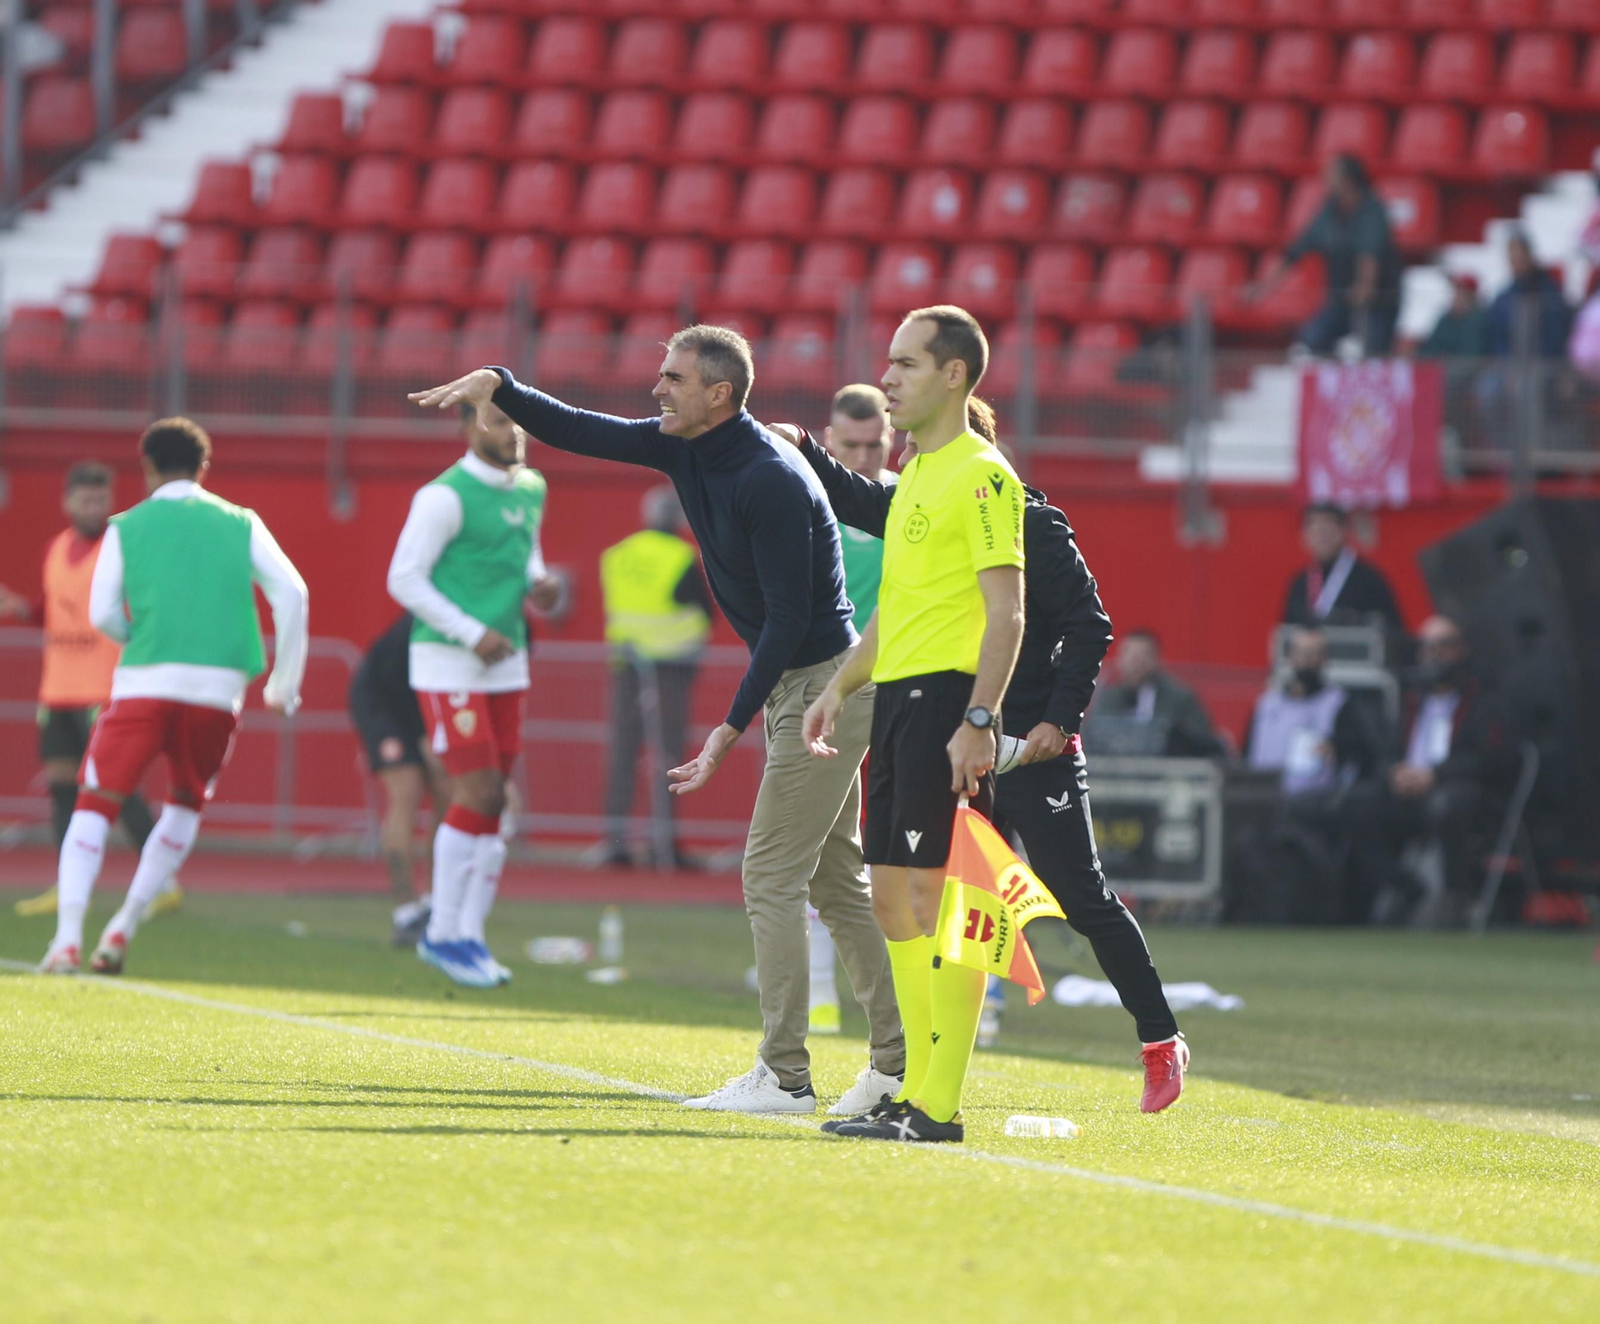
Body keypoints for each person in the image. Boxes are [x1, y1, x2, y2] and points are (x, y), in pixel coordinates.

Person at [408, 326, 907, 1119]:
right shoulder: (686, 445)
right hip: (810, 686)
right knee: (834, 883)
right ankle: (895, 1065)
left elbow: (787, 620)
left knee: (769, 877)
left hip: (822, 687)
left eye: (673, 377)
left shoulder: (770, 476)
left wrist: (729, 728)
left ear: (719, 393)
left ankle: (784, 1077)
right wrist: (499, 384)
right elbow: (582, 429)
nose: (656, 388)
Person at [782, 398, 1188, 1115]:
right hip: (949, 735)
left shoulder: (1028, 518)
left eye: (916, 441)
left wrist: (1057, 722)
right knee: (945, 899)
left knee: (1077, 893)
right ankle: (931, 1077)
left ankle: (1160, 1039)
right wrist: (804, 450)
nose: (907, 455)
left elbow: (1091, 623)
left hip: (1026, 746)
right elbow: (863, 500)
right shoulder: (927, 515)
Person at [801, 305, 1027, 1145]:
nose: (888, 377)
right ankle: (915, 1091)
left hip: (948, 701)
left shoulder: (982, 473)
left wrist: (980, 717)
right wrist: (838, 687)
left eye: (905, 363)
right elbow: (895, 611)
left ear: (953, 376)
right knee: (892, 896)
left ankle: (936, 1104)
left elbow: (1008, 612)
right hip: (895, 696)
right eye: (889, 362)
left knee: (941, 895)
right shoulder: (915, 477)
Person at [37, 418, 309, 974]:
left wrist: (141, 640)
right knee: (185, 802)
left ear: (149, 469)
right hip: (217, 691)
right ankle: (124, 927)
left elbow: (103, 612)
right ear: (204, 467)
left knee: (94, 802)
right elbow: (294, 593)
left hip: (144, 683)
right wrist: (284, 684)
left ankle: (66, 938)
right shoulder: (241, 521)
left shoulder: (125, 526)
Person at [387, 399, 559, 989]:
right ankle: (442, 932)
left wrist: (538, 583)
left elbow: (524, 549)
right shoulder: (444, 497)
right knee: (479, 791)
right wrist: (469, 630)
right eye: (498, 421)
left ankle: (468, 936)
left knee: (495, 804)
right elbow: (403, 577)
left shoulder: (531, 486)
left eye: (517, 422)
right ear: (466, 427)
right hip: (448, 663)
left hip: (505, 664)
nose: (512, 432)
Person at [0, 462, 172, 920]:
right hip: (57, 689)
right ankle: (68, 883)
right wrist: (20, 608)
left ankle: (162, 882)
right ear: (67, 502)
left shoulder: (122, 548)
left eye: (102, 499)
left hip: (104, 688)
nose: (96, 508)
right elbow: (58, 612)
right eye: (87, 499)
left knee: (116, 786)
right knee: (60, 786)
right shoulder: (55, 548)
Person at [805, 384, 899, 1037]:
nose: (864, 456)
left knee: (904, 852)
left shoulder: (906, 503)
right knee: (818, 848)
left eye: (876, 444)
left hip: (901, 694)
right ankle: (817, 996)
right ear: (828, 440)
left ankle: (959, 993)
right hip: (826, 693)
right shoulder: (808, 500)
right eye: (852, 445)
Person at [1345, 616, 1515, 928]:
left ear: (1461, 650)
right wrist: (1396, 772)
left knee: (1448, 805)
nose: (1433, 654)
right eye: (1426, 647)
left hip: (1458, 792)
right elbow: (1388, 750)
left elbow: (1491, 759)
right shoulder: (1411, 700)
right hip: (1409, 791)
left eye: (1442, 646)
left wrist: (1434, 775)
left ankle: (1455, 898)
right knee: (1359, 804)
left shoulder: (1484, 700)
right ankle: (1403, 888)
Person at [597, 484, 712, 869]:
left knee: (622, 754)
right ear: (678, 520)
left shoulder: (618, 555)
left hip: (626, 666)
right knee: (669, 757)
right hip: (670, 668)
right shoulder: (681, 557)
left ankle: (613, 842)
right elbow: (705, 610)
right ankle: (664, 847)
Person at [1239, 627, 1383, 923]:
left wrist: (1338, 750)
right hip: (1262, 801)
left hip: (1317, 804)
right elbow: (1246, 755)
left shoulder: (1341, 705)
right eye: (1302, 654)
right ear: (1289, 658)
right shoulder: (1267, 705)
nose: (1308, 662)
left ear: (1325, 661)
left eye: (1316, 655)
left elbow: (1364, 756)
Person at [348, 610, 449, 946]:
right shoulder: (429, 620)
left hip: (425, 708)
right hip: (383, 703)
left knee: (448, 795)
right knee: (406, 790)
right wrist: (423, 734)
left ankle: (436, 904)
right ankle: (406, 912)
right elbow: (393, 680)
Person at [1247, 153, 1401, 357]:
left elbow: (1370, 254)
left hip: (1378, 303)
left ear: (1348, 179)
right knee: (1313, 338)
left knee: (1374, 351)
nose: (1325, 179)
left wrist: (1364, 287)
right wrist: (1263, 287)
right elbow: (1294, 252)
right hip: (1340, 300)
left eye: (1332, 174)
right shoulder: (1328, 211)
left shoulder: (1372, 210)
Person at [1091, 629, 1227, 758]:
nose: (1136, 663)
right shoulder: (1107, 697)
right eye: (1130, 655)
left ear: (1156, 660)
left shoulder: (1179, 698)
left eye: (1142, 656)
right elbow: (1093, 735)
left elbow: (1201, 740)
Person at [1281, 503, 1405, 638]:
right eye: (1314, 527)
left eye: (1327, 526)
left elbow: (1394, 632)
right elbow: (1286, 633)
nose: (1321, 534)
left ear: (1344, 531)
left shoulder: (1369, 579)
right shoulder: (1300, 583)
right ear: (1304, 536)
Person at [1486, 231, 1572, 361]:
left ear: (1529, 255)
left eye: (1519, 256)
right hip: (1509, 370)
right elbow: (1497, 338)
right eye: (1512, 257)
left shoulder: (1549, 294)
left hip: (1544, 369)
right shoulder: (1503, 298)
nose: (1515, 261)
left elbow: (1556, 336)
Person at [1419, 274, 1490, 359]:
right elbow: (1431, 347)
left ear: (1472, 295)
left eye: (1463, 292)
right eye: (1457, 291)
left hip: (1467, 369)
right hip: (1441, 367)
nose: (1458, 296)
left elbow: (1471, 353)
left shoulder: (1478, 320)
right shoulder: (1446, 318)